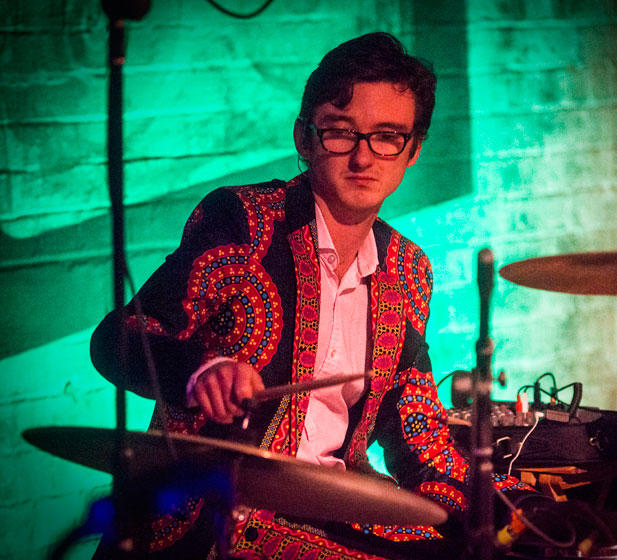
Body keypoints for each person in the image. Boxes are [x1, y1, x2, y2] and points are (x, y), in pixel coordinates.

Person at [90, 32, 532, 559]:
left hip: (333, 512)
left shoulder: (406, 270)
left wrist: (519, 510)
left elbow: (417, 434)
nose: (363, 157)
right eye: (341, 132)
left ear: (412, 150)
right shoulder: (245, 224)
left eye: (387, 136)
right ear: (304, 138)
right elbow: (120, 336)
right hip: (217, 517)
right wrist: (201, 370)